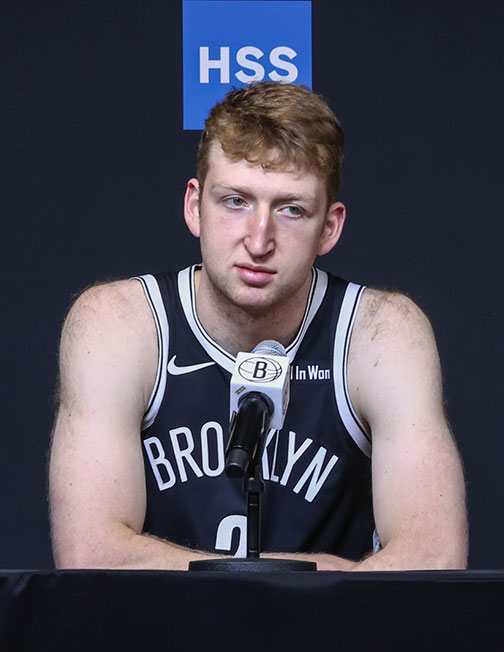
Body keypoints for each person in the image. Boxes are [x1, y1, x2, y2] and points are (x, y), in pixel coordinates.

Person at [49, 82, 468, 570]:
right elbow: (90, 555)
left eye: (291, 209)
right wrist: (288, 582)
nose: (259, 239)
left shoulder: (379, 333)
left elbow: (434, 557)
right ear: (194, 206)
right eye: (235, 201)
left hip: (328, 642)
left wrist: (254, 589)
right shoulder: (118, 324)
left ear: (329, 227)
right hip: (160, 641)